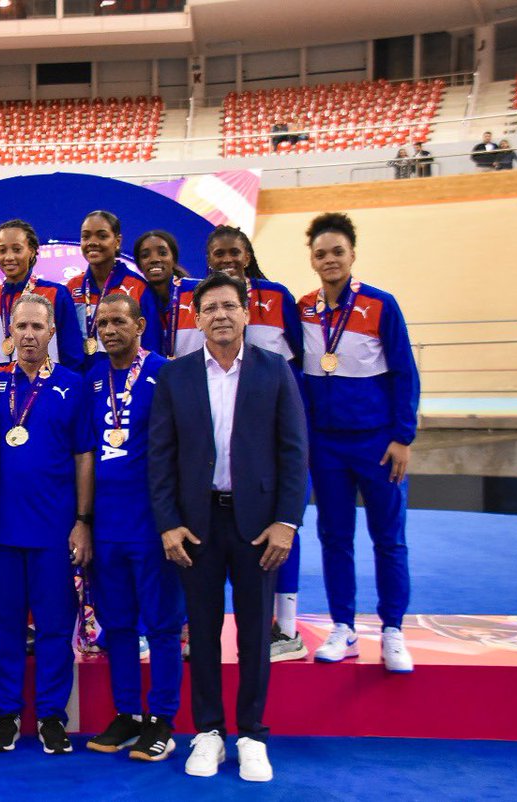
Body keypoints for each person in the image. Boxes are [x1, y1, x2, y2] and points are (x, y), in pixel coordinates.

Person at [148, 271, 308, 783]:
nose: (219, 315)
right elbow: (161, 456)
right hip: (196, 526)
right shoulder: (177, 376)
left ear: (245, 313)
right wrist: (169, 523)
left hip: (257, 526)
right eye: (210, 308)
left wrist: (286, 522)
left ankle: (253, 734)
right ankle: (209, 732)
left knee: (256, 634)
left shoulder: (274, 370)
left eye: (229, 306)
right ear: (198, 318)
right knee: (203, 631)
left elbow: (293, 451)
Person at [298, 212, 419, 674]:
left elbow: (405, 372)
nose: (329, 259)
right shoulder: (304, 308)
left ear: (352, 254)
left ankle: (392, 630)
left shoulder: (380, 305)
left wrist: (402, 438)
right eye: (321, 253)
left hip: (377, 444)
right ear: (311, 259)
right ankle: (343, 626)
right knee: (334, 537)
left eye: (337, 252)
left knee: (389, 540)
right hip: (326, 447)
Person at [0, 293, 94, 755]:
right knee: (2, 627)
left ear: (51, 333)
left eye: (37, 327)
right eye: (20, 327)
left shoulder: (72, 385)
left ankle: (50, 715)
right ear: (9, 334)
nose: (28, 335)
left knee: (52, 627)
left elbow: (84, 456)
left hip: (54, 531)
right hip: (0, 531)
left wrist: (82, 520)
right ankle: (6, 712)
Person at [82, 293, 183, 761]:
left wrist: (175, 520)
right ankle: (127, 713)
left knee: (161, 625)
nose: (110, 329)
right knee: (117, 625)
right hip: (106, 525)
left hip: (152, 524)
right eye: (102, 322)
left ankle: (162, 718)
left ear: (140, 324)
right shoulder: (92, 379)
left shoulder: (165, 373)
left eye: (119, 320)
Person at [204, 225, 307, 662]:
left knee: (282, 526)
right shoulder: (203, 300)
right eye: (218, 254)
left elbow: (300, 357)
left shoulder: (279, 297)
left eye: (234, 252)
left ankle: (286, 625)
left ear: (247, 255)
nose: (226, 259)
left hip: (271, 425)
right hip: (220, 426)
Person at [0, 218, 83, 371]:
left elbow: (72, 355)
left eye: (17, 249)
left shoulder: (55, 293)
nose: (9, 257)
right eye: (2, 250)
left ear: (32, 251)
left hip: (45, 388)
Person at [66, 210, 162, 367]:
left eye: (102, 236)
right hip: (84, 381)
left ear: (117, 241)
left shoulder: (138, 287)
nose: (92, 242)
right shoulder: (72, 287)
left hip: (128, 380)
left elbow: (151, 345)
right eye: (86, 236)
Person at [137, 230, 197, 359]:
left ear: (174, 259)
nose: (154, 259)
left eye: (162, 253)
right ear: (139, 265)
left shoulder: (197, 291)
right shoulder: (139, 301)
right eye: (145, 255)